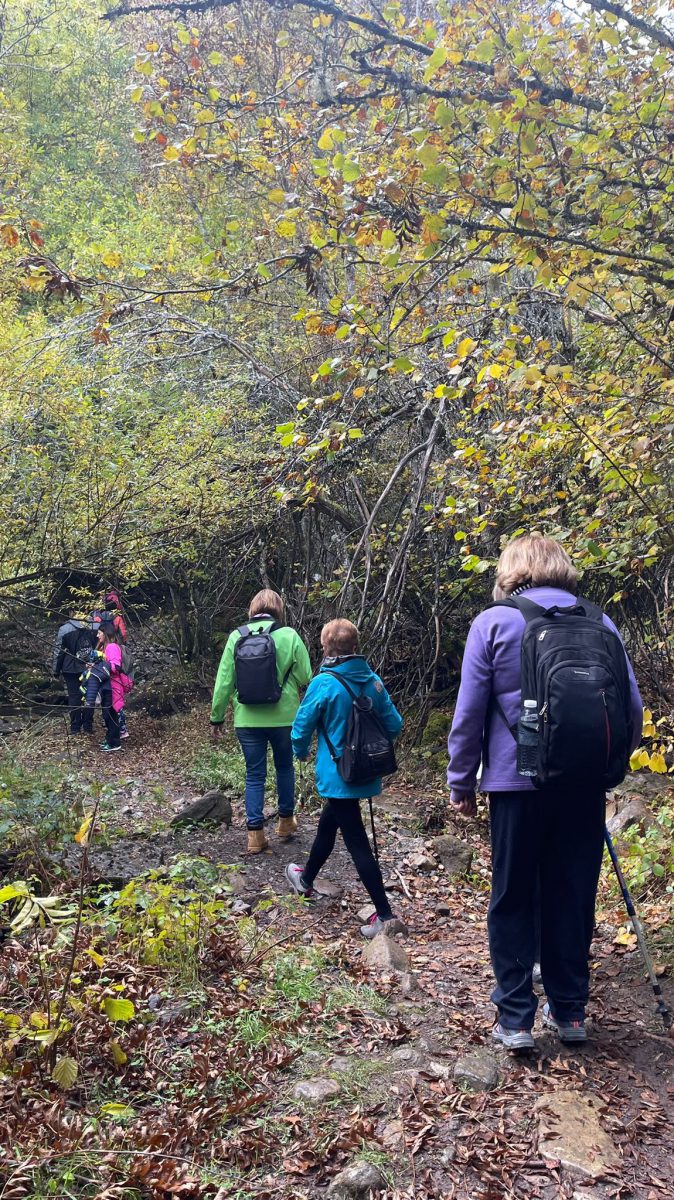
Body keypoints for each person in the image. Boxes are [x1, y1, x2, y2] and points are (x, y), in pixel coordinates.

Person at [447, 533, 643, 1049]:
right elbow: (632, 710)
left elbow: (469, 713)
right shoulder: (601, 622)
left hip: (516, 784)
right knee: (572, 894)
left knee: (512, 895)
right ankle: (571, 1010)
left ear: (512, 570)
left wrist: (461, 780)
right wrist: (607, 765)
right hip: (582, 785)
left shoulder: (494, 623)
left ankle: (514, 1020)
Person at [285, 618, 406, 940]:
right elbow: (394, 724)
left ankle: (384, 914)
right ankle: (306, 879)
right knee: (330, 823)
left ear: (325, 647)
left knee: (356, 843)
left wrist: (300, 752)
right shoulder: (373, 681)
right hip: (365, 770)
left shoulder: (324, 683)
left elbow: (301, 727)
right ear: (355, 646)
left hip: (338, 773)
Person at [210, 589, 312, 853]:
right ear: (279, 609)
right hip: (284, 717)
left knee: (254, 774)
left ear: (253, 609)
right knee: (285, 768)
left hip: (247, 719)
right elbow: (305, 676)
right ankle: (286, 823)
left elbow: (223, 683)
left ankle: (255, 836)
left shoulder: (236, 637)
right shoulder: (289, 636)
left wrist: (217, 718)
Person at [53, 607, 97, 734]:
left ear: (71, 612)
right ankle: (88, 726)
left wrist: (56, 670)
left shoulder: (64, 629)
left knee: (74, 697)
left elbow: (59, 652)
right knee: (90, 695)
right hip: (90, 666)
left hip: (70, 667)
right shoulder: (93, 626)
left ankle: (75, 728)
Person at [101, 629, 133, 753]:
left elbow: (115, 666)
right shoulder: (106, 647)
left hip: (113, 685)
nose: (97, 635)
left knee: (111, 713)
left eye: (99, 632)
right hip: (109, 685)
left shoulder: (112, 647)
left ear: (106, 633)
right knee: (108, 713)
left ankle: (114, 742)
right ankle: (110, 739)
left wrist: (101, 665)